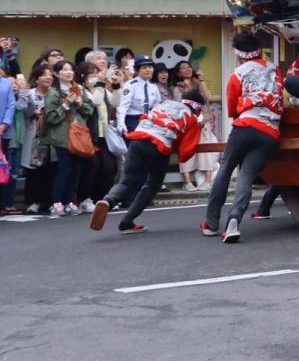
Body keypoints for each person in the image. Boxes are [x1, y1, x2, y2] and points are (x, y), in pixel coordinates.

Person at [203, 33, 284, 243]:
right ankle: (234, 220)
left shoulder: (238, 73)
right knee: (246, 177)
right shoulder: (274, 68)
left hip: (246, 126)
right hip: (270, 131)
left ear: (238, 54)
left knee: (225, 170)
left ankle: (211, 223)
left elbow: (231, 108)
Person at [90, 90, 205, 235]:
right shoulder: (191, 118)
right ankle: (127, 221)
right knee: (153, 184)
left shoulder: (163, 103)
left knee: (128, 181)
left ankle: (108, 201)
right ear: (197, 107)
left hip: (138, 138)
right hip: (159, 145)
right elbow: (186, 150)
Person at [40, 60, 94, 217]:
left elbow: (89, 110)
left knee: (76, 170)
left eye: (71, 69)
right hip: (61, 136)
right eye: (64, 70)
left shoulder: (78, 89)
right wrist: (66, 104)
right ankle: (57, 202)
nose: (69, 72)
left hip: (78, 134)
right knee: (64, 169)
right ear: (56, 74)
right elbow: (50, 117)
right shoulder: (53, 92)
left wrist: (80, 103)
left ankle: (70, 201)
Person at [75, 62, 118, 215]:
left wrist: (117, 86)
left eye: (96, 72)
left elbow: (116, 102)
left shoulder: (102, 89)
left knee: (109, 167)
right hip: (87, 133)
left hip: (104, 134)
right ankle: (84, 199)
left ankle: (103, 199)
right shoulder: (79, 89)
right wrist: (100, 83)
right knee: (91, 168)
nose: (94, 76)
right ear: (82, 75)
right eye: (91, 73)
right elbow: (95, 102)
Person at [172, 61, 216, 190]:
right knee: (186, 148)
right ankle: (187, 181)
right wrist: (186, 89)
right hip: (187, 121)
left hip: (204, 118)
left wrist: (201, 79)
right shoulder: (177, 87)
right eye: (183, 68)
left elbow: (207, 97)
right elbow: (179, 105)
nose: (187, 69)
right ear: (179, 73)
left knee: (205, 148)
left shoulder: (198, 83)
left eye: (189, 67)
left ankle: (208, 179)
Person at [16, 65, 53, 214]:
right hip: (33, 135)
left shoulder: (55, 94)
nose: (48, 77)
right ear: (37, 78)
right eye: (44, 75)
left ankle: (47, 201)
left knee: (49, 170)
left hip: (51, 136)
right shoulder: (29, 93)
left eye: (50, 75)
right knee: (33, 170)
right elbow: (25, 112)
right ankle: (32, 201)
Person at [117, 56, 161, 134]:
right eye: (144, 68)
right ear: (137, 70)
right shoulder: (130, 85)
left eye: (150, 67)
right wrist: (121, 123)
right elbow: (123, 107)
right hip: (133, 119)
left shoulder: (153, 86)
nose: (148, 70)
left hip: (148, 120)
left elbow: (157, 105)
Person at [0, 69, 16, 214]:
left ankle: (4, 203)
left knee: (3, 167)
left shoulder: (5, 83)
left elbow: (11, 106)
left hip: (3, 132)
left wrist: (4, 124)